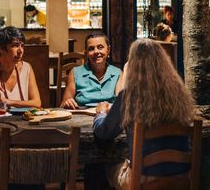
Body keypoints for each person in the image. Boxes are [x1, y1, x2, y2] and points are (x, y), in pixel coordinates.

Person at [92, 39, 195, 189]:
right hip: (181, 178)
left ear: (133, 65)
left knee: (103, 165)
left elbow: (103, 132)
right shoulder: (179, 94)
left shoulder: (129, 96)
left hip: (143, 180)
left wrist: (101, 113)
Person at [60, 32, 124, 109]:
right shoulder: (75, 73)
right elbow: (63, 104)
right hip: (81, 117)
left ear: (108, 50)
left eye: (100, 47)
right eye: (91, 48)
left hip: (108, 117)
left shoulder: (117, 73)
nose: (96, 52)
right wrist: (67, 103)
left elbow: (121, 103)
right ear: (86, 53)